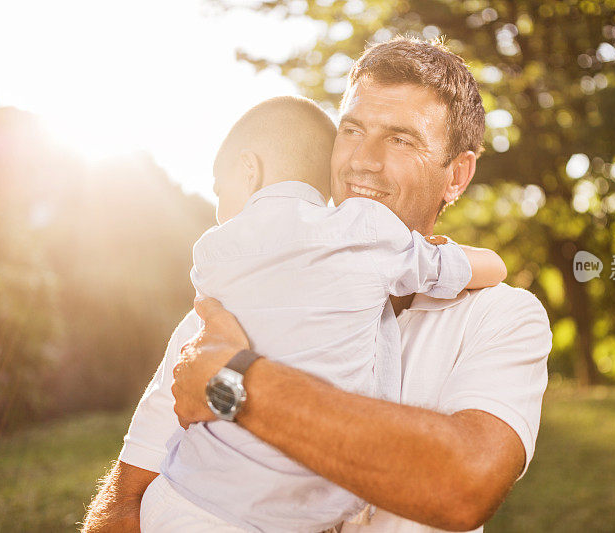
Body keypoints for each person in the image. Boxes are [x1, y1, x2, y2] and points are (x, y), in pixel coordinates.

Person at [83, 36, 552, 533]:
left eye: (401, 139)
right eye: (352, 130)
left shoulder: (503, 318)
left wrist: (232, 383)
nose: (362, 161)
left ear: (457, 174)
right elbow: (128, 501)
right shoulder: (237, 295)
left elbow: (462, 486)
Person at [137, 94, 507, 532]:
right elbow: (489, 268)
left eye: (220, 189)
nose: (219, 210)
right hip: (286, 516)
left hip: (183, 495)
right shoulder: (363, 233)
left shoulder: (212, 252)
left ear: (248, 170)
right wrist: (442, 252)